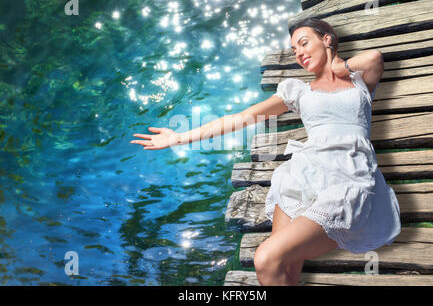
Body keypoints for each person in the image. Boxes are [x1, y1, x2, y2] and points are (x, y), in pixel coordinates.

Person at [130, 17, 401, 286]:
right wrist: (179, 137)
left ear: (327, 39)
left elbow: (375, 58)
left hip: (349, 175)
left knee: (266, 258)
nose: (299, 54)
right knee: (286, 269)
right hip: (303, 175)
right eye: (294, 50)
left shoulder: (358, 82)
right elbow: (244, 116)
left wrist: (340, 66)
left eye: (304, 43)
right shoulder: (299, 91)